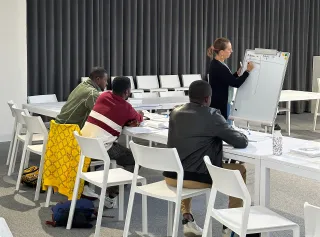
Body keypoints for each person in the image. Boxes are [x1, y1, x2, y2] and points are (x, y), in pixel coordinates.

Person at [163, 80, 248, 236]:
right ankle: (231, 226)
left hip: (172, 176)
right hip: (198, 178)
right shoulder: (212, 115)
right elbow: (239, 141)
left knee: (185, 160)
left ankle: (187, 219)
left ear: (189, 96)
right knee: (239, 170)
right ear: (208, 98)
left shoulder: (175, 113)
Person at [81, 76, 144, 208]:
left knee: (118, 149)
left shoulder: (103, 96)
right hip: (102, 148)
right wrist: (138, 114)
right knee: (136, 159)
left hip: (85, 144)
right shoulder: (126, 107)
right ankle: (111, 196)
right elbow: (138, 118)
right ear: (127, 92)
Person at [207, 37, 254, 121]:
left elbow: (226, 79)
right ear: (221, 52)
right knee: (224, 126)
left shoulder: (217, 63)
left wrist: (236, 74)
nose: (231, 51)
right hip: (220, 103)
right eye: (229, 49)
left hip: (219, 101)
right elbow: (235, 83)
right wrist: (247, 71)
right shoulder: (219, 66)